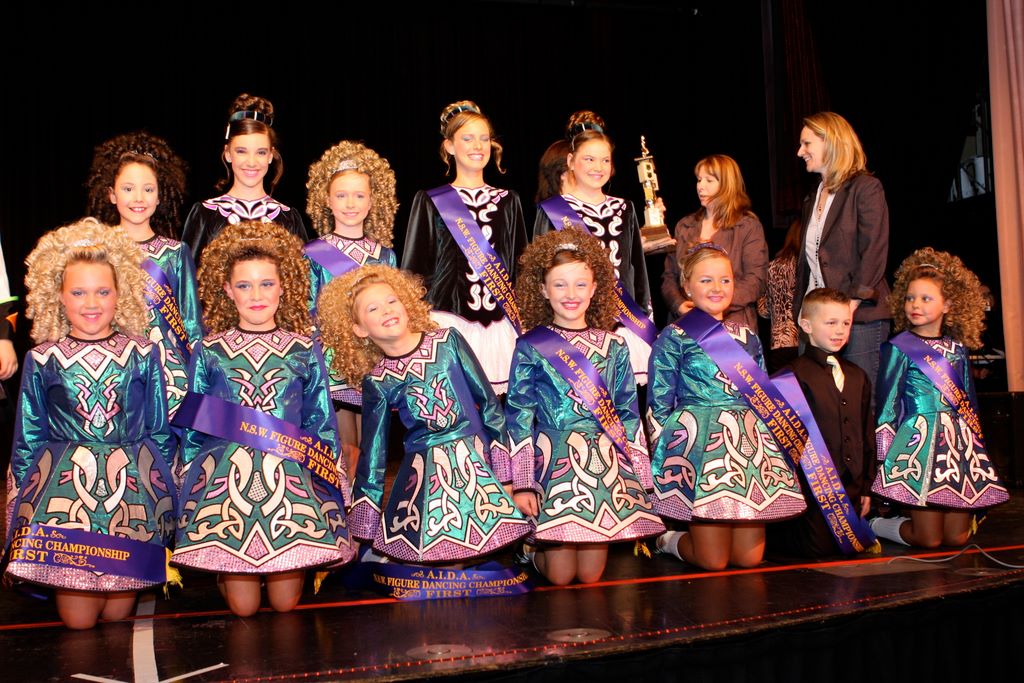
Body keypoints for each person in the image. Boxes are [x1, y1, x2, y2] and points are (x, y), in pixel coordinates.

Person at [172, 221, 352, 617]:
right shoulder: (209, 350)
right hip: (226, 485)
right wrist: (188, 485)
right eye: (245, 285)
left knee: (286, 605)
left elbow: (320, 419)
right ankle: (225, 571)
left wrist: (331, 480)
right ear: (227, 290)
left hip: (292, 480)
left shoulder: (304, 348)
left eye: (267, 284)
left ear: (284, 286)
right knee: (244, 609)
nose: (256, 295)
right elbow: (194, 426)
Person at [5, 219, 175, 629]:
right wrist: (16, 507)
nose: (91, 302)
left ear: (121, 294)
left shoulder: (143, 352)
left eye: (103, 291)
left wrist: (168, 495)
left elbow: (158, 429)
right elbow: (29, 435)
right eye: (78, 292)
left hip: (131, 497)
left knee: (117, 618)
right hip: (64, 499)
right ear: (57, 296)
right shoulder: (41, 357)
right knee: (79, 624)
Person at [317, 264, 530, 563]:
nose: (387, 310)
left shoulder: (448, 341)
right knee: (448, 564)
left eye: (392, 300)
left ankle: (528, 553)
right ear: (359, 329)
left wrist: (506, 476)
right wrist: (364, 525)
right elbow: (373, 456)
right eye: (373, 308)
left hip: (478, 464)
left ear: (406, 303)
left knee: (482, 561)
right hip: (427, 480)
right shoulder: (377, 381)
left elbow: (490, 407)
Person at [505, 228, 664, 585]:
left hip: (604, 464)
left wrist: (642, 476)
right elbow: (519, 416)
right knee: (561, 576)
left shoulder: (614, 345)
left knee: (591, 576)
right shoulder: (531, 345)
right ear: (543, 290)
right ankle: (530, 550)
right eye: (560, 285)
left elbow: (627, 414)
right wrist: (523, 483)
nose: (571, 294)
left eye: (580, 284)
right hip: (552, 461)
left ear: (594, 288)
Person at [649, 245, 805, 570]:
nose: (717, 288)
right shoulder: (673, 337)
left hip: (746, 446)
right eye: (706, 280)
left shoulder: (748, 336)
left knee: (749, 559)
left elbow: (762, 397)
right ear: (687, 286)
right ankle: (668, 540)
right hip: (699, 447)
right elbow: (659, 404)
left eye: (725, 280)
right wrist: (666, 457)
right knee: (713, 561)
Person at [869, 248, 1008, 548]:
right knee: (929, 539)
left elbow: (969, 403)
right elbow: (886, 408)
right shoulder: (898, 347)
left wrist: (978, 451)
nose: (915, 305)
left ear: (948, 305)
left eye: (925, 298)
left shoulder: (957, 349)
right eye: (910, 298)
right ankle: (875, 525)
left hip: (957, 448)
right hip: (918, 444)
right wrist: (884, 459)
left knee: (957, 538)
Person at [402, 100, 527, 395]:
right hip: (447, 320)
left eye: (484, 138)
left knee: (502, 410)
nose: (478, 146)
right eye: (467, 138)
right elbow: (413, 270)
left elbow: (522, 265)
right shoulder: (430, 200)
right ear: (449, 146)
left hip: (501, 323)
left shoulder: (509, 200)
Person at [85, 131, 202, 421]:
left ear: (160, 196)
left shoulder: (176, 252)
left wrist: (198, 380)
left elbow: (191, 325)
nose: (138, 198)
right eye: (128, 189)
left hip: (169, 377)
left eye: (148, 189)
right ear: (112, 194)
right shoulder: (95, 250)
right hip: (111, 369)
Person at [534, 111, 655, 384]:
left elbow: (636, 268)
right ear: (570, 161)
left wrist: (645, 317)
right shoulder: (553, 210)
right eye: (589, 159)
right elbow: (539, 272)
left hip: (625, 325)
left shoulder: (624, 208)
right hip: (572, 323)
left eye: (605, 160)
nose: (597, 167)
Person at [304, 140, 398, 477]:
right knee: (346, 446)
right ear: (327, 200)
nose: (350, 203)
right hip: (334, 362)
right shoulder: (314, 252)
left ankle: (365, 504)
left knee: (373, 444)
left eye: (359, 195)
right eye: (341, 195)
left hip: (375, 359)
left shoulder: (385, 255)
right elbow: (308, 311)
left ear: (372, 201)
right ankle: (343, 503)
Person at [769, 287, 875, 557]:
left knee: (848, 554)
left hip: (851, 488)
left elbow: (866, 434)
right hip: (811, 492)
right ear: (807, 326)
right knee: (819, 553)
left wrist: (867, 487)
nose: (840, 330)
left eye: (846, 323)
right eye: (831, 323)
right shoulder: (790, 377)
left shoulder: (858, 376)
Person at [794, 112, 890, 392]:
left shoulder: (865, 188)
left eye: (807, 143)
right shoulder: (812, 196)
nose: (800, 152)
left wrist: (850, 306)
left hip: (860, 318)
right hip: (817, 318)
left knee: (861, 399)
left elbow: (874, 250)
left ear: (831, 142)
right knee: (815, 399)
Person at [181, 93, 309, 266]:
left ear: (270, 155)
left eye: (261, 152)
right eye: (241, 151)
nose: (251, 162)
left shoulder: (288, 218)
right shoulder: (205, 215)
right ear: (228, 153)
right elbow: (186, 278)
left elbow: (303, 278)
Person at [662, 154, 767, 330]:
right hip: (686, 324)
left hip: (732, 326)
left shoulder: (747, 226)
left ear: (727, 184)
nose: (700, 186)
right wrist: (678, 304)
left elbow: (755, 281)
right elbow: (670, 276)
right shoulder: (684, 226)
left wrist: (712, 306)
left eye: (709, 180)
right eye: (699, 180)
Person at [757, 218, 802, 373]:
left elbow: (763, 311)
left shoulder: (772, 267)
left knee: (784, 385)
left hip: (779, 341)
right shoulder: (808, 267)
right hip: (806, 339)